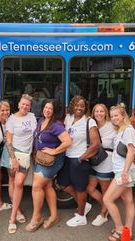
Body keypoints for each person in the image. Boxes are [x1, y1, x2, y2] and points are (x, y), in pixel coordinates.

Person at [25, 100, 72, 232]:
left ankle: (37, 217)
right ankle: (54, 216)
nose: (47, 110)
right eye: (46, 107)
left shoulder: (56, 125)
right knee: (47, 186)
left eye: (50, 108)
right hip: (41, 159)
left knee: (36, 186)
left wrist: (54, 151)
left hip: (52, 160)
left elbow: (68, 142)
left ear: (54, 111)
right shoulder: (41, 120)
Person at [57, 95, 100, 227]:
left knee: (80, 188)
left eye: (82, 105)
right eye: (77, 105)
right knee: (62, 183)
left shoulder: (89, 121)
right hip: (67, 157)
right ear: (72, 106)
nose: (79, 107)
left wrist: (82, 158)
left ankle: (81, 216)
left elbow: (96, 144)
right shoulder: (68, 118)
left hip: (80, 159)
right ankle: (84, 205)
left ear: (85, 107)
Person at [0, 94, 37, 234]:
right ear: (18, 104)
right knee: (15, 182)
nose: (25, 106)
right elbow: (8, 141)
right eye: (23, 104)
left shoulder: (32, 117)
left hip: (26, 155)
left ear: (30, 106)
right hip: (13, 154)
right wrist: (14, 159)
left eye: (27, 105)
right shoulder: (12, 119)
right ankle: (14, 216)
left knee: (18, 183)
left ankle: (15, 212)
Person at [103, 103, 135, 241]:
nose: (114, 118)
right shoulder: (121, 130)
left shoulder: (128, 130)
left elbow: (131, 151)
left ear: (123, 116)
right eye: (112, 116)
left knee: (107, 199)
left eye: (116, 115)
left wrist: (124, 172)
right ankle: (127, 231)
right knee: (128, 200)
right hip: (123, 171)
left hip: (123, 173)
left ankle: (119, 229)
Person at [86, 104, 116, 226]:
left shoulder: (112, 126)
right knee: (90, 188)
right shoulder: (92, 126)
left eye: (101, 111)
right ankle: (106, 205)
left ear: (105, 113)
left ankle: (103, 214)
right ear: (93, 113)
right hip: (95, 161)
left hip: (107, 161)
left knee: (105, 191)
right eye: (96, 111)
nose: (99, 113)